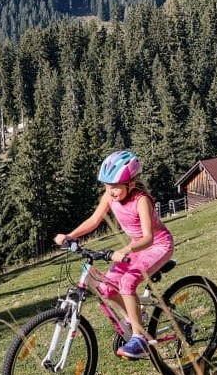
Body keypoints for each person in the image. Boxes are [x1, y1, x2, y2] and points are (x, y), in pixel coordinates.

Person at [54, 149, 172, 359]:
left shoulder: (141, 200)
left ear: (131, 184)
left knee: (127, 283)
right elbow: (94, 221)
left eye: (116, 186)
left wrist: (125, 249)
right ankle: (135, 315)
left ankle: (139, 339)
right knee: (106, 289)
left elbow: (148, 238)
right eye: (107, 186)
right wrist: (70, 236)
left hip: (157, 246)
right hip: (135, 248)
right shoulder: (110, 197)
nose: (111, 191)